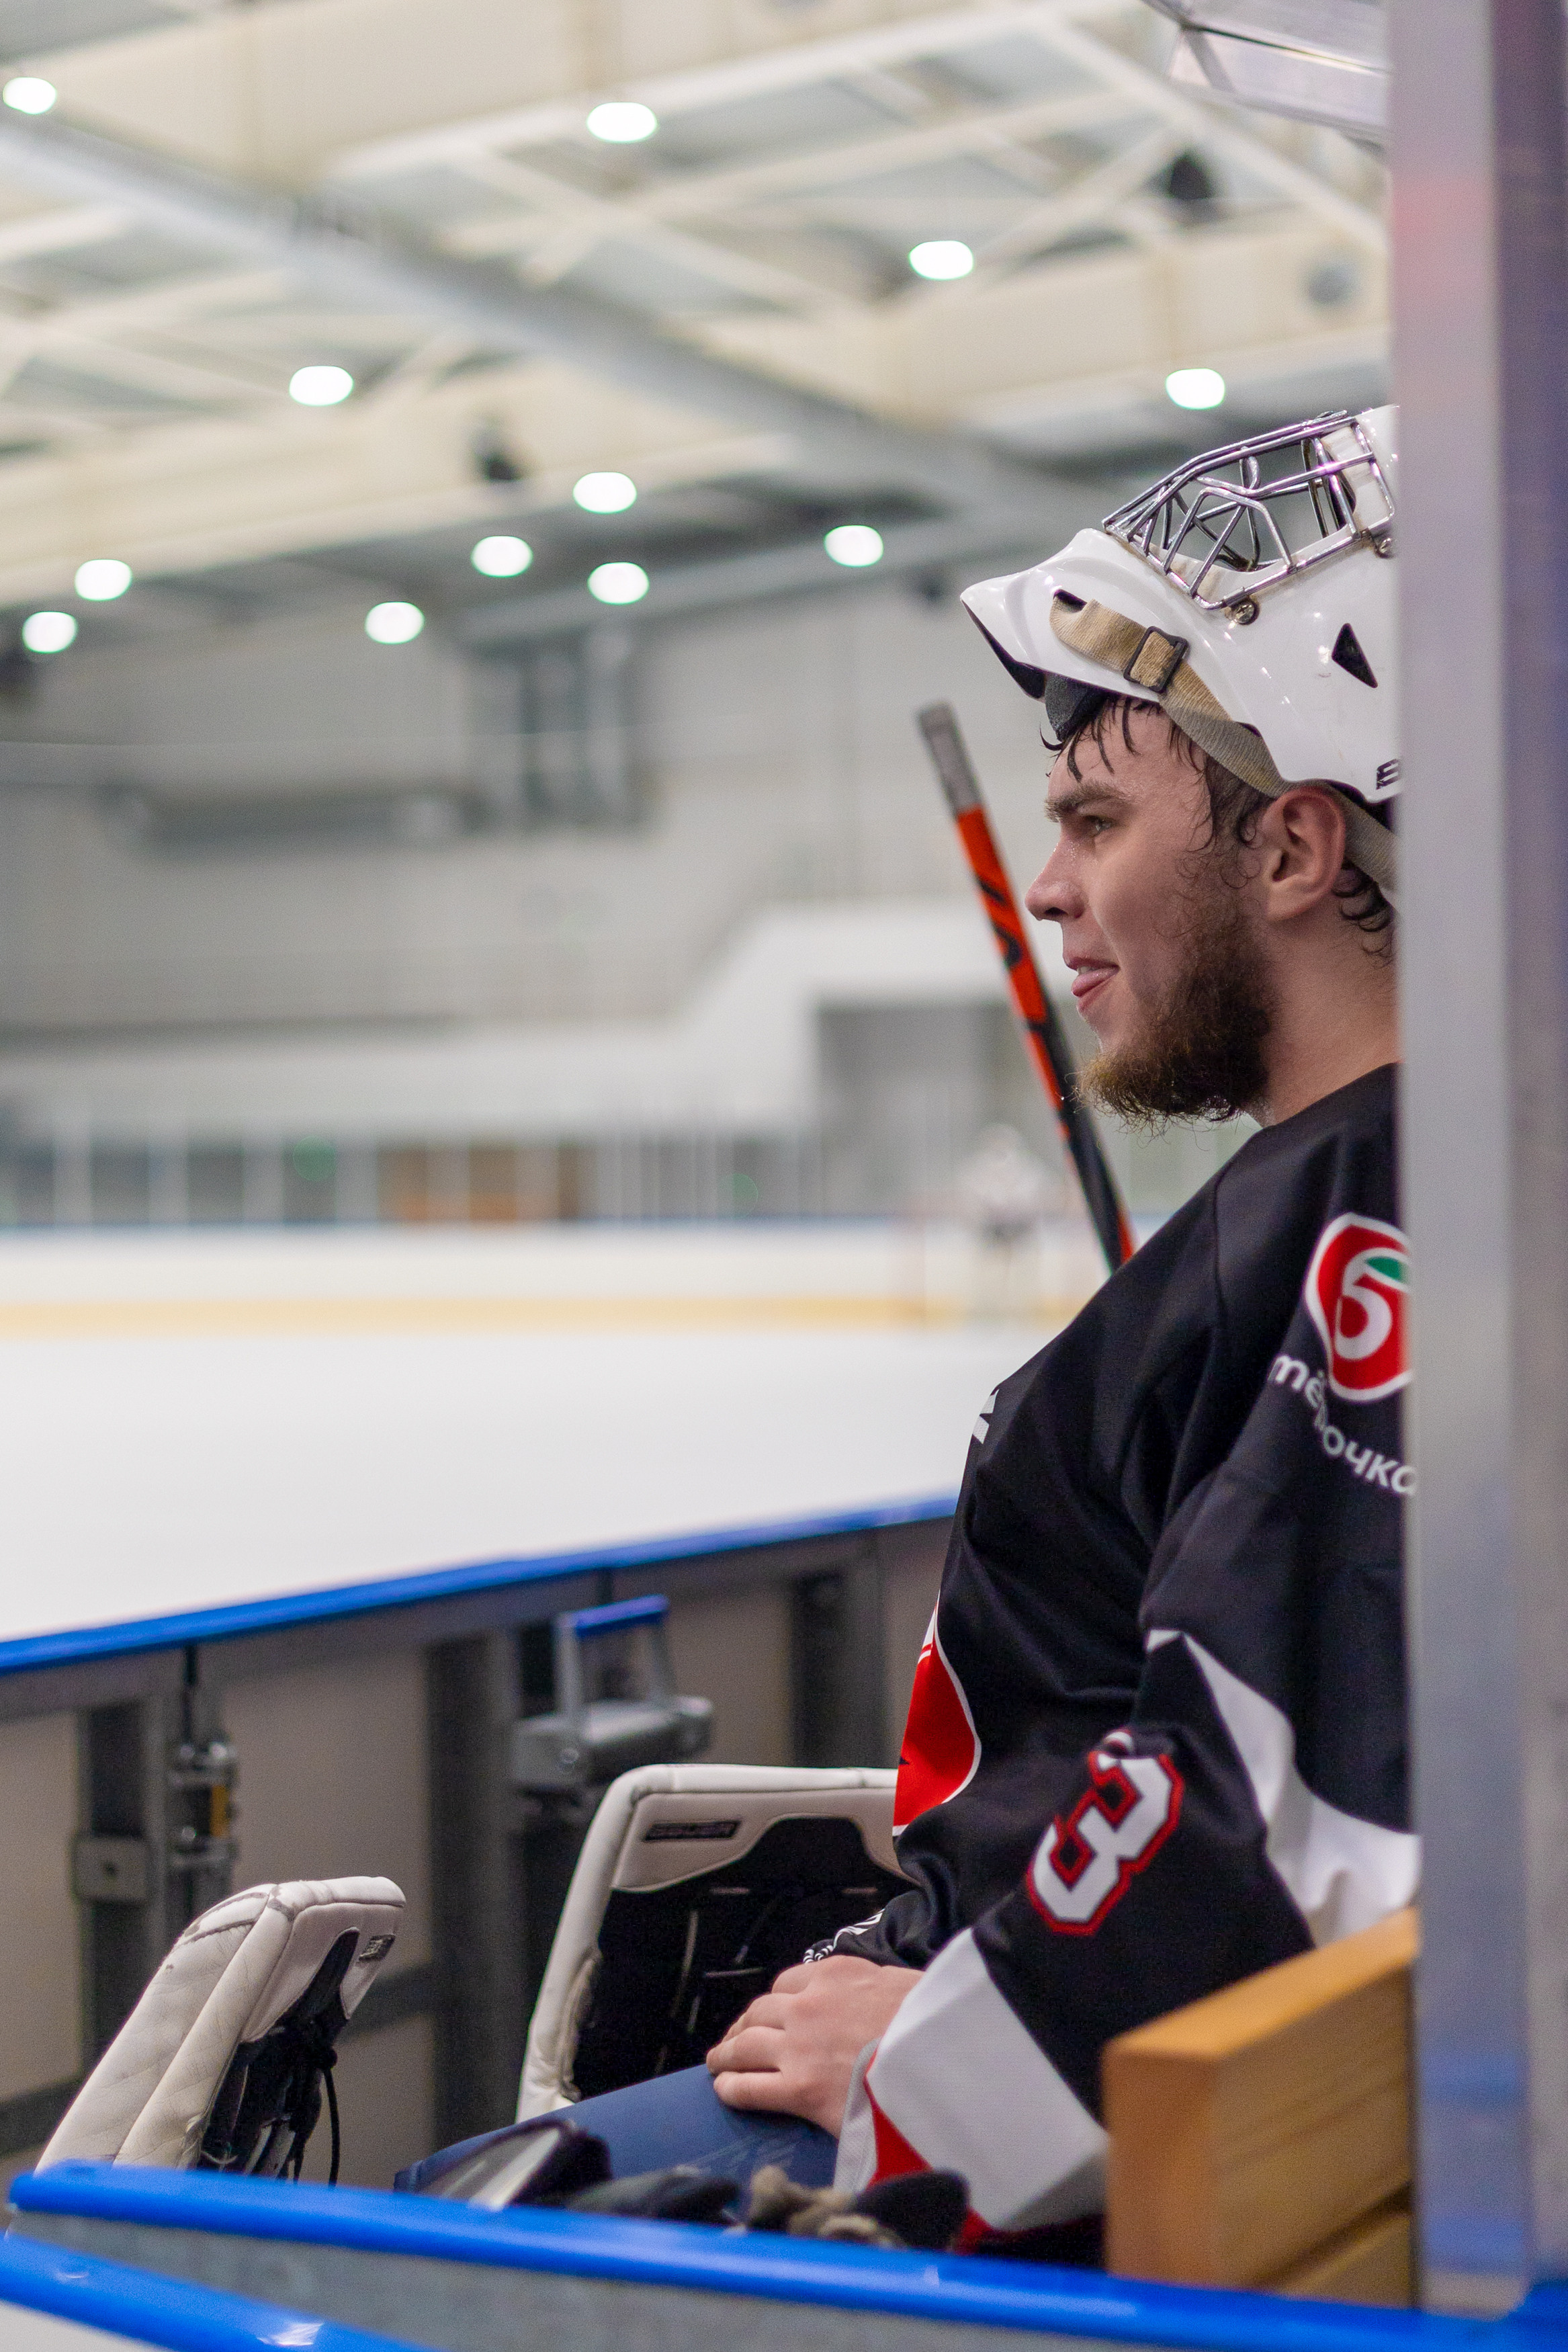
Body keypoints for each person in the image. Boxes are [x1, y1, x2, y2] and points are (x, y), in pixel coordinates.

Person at [413, 409, 1415, 2243]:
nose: (1051, 890)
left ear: (1290, 846)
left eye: (1098, 819)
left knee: (449, 2214)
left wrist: (940, 2047)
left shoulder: (1375, 1240)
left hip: (1057, 2130)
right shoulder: (1362, 1194)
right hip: (1055, 2025)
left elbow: (1264, 1799)